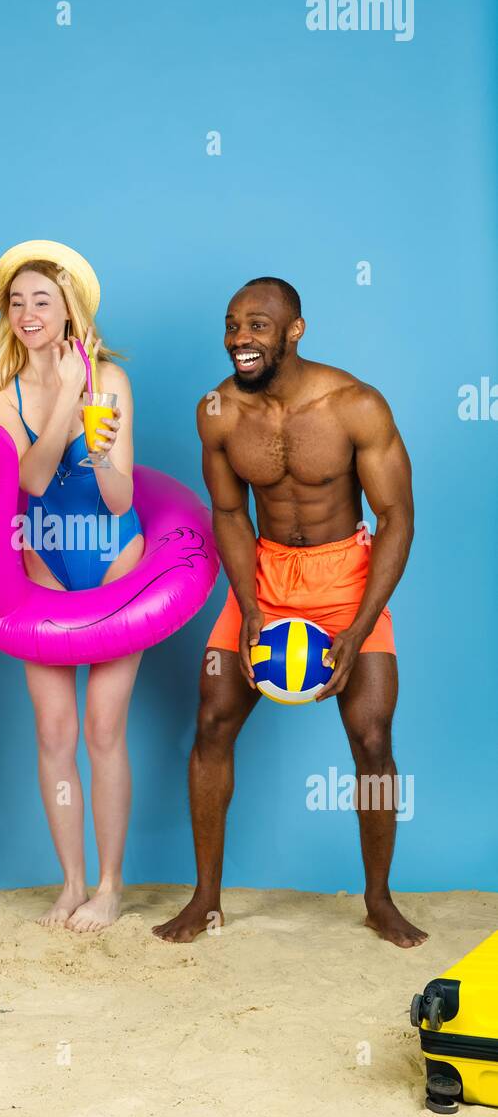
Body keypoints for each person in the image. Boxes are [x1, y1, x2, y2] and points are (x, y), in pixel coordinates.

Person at [154, 276, 426, 949]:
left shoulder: (355, 406)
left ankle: (379, 900)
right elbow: (228, 511)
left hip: (347, 578)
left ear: (294, 331)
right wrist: (248, 607)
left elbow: (396, 518)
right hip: (265, 572)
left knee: (372, 741)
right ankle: (206, 900)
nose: (239, 339)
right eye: (231, 324)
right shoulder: (217, 412)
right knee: (213, 719)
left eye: (257, 326)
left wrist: (358, 629)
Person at [0, 240, 144, 931]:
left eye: (44, 300)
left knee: (103, 729)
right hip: (41, 567)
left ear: (71, 311)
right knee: (54, 731)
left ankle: (110, 884)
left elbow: (123, 501)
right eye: (17, 301)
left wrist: (100, 454)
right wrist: (67, 392)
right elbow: (30, 481)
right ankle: (71, 882)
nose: (29, 312)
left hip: (115, 561)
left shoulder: (114, 382)